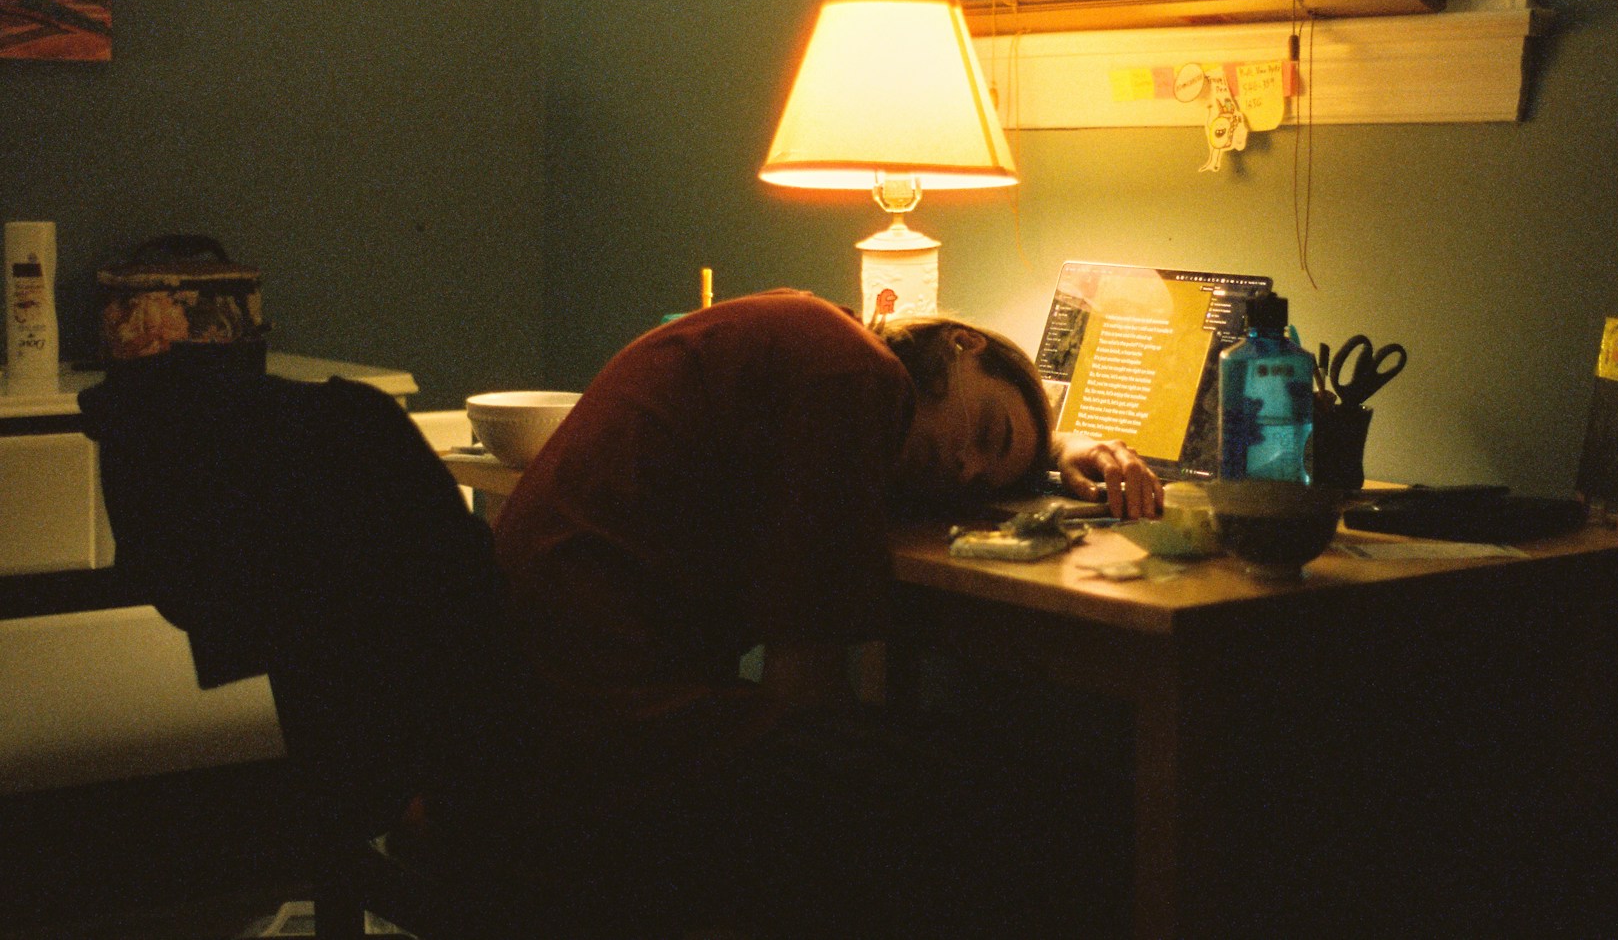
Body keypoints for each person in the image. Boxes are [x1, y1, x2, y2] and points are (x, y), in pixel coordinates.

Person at [486, 288, 1156, 936]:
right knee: (1059, 819)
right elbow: (803, 691)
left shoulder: (814, 340)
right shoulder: (853, 377)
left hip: (514, 733)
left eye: (982, 474)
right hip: (605, 752)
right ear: (961, 344)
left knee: (970, 788)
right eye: (985, 429)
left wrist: (1061, 448)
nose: (963, 464)